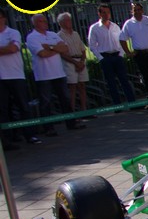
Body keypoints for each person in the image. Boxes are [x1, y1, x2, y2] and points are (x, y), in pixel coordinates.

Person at [25, 14, 85, 136]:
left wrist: (50, 47)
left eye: (45, 20)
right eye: (42, 21)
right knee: (46, 102)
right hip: (43, 75)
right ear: (35, 23)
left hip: (59, 73)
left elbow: (65, 48)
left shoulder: (52, 34)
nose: (45, 23)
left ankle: (71, 123)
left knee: (65, 99)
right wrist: (56, 49)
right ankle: (48, 128)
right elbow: (42, 54)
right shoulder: (32, 37)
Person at [0, 8, 41, 148]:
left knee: (23, 106)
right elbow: (8, 49)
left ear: (4, 18)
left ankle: (30, 135)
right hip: (1, 78)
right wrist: (5, 48)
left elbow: (13, 49)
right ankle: (7, 139)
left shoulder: (13, 33)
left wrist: (7, 48)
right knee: (3, 110)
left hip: (16, 75)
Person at [87, 4, 135, 106]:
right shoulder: (94, 28)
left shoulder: (115, 26)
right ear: (99, 14)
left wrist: (121, 54)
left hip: (117, 56)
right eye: (104, 12)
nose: (106, 14)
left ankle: (132, 103)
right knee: (111, 83)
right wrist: (101, 58)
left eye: (108, 12)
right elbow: (92, 45)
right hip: (105, 57)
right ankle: (117, 105)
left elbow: (121, 41)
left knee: (124, 80)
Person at [55, 12, 90, 115]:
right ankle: (72, 112)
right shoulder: (59, 36)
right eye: (66, 20)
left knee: (82, 85)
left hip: (80, 60)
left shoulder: (75, 34)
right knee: (72, 87)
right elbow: (62, 53)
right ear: (61, 23)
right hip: (69, 62)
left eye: (69, 20)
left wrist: (82, 61)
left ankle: (84, 110)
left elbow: (83, 49)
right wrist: (75, 63)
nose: (69, 22)